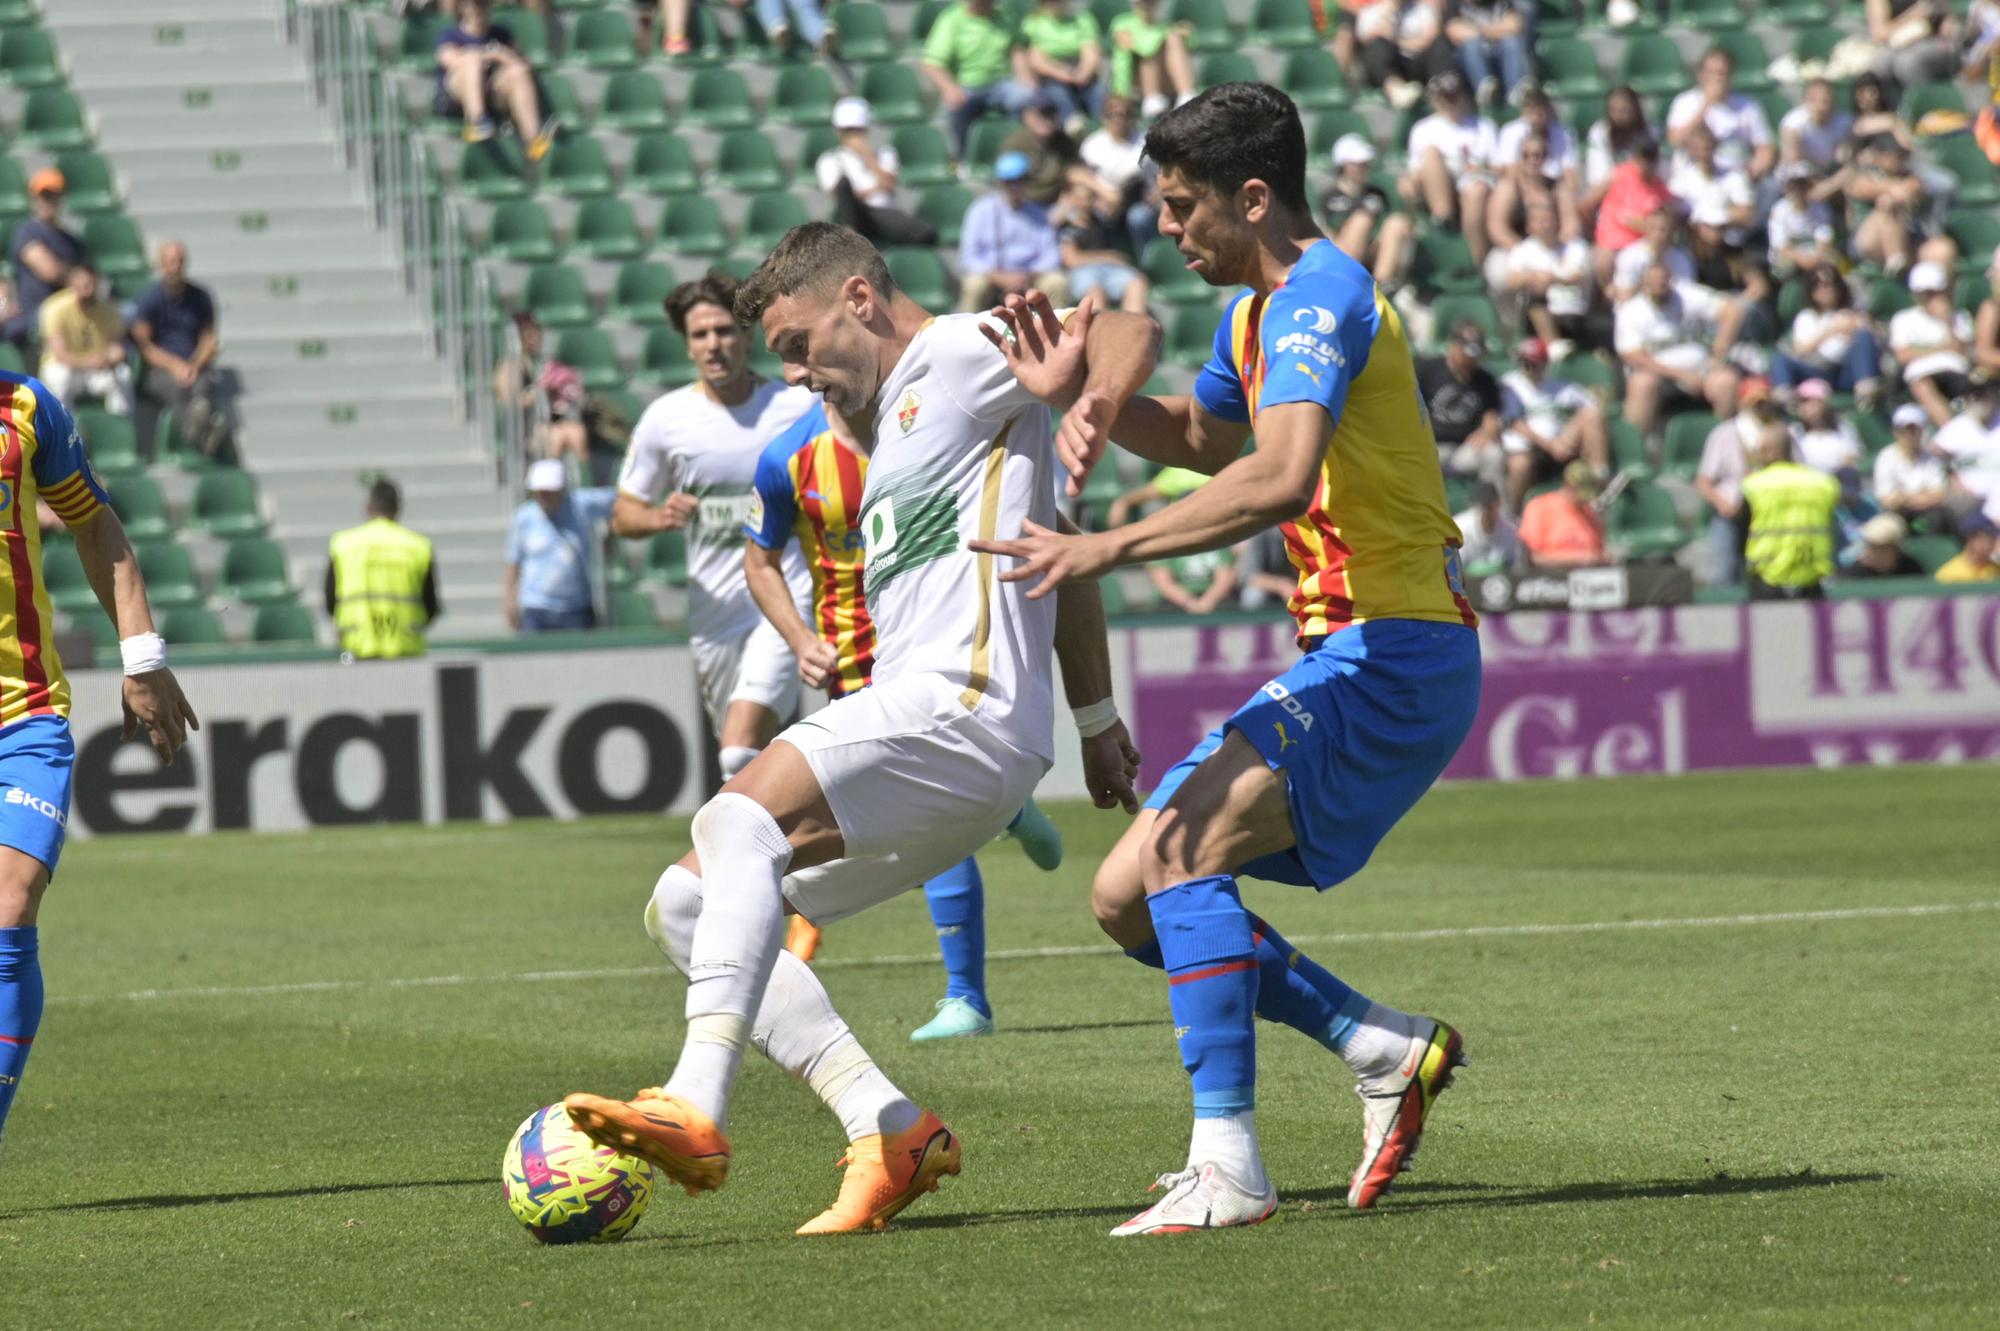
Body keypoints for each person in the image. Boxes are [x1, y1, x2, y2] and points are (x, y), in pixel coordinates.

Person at [963, 82, 1481, 1235]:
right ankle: (1376, 1043)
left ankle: (1229, 1166)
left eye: (1183, 204)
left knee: (1183, 850)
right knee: (1121, 896)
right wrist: (1078, 396)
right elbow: (1206, 441)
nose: (1167, 226)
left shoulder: (1320, 295)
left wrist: (1105, 540)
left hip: (1392, 647)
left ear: (1252, 197)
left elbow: (1282, 473)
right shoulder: (1252, 316)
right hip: (1360, 648)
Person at [561, 221, 1148, 1235]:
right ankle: (889, 1127)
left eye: (797, 344)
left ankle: (694, 1100)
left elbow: (1126, 327)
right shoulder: (885, 433)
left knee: (731, 820)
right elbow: (1048, 557)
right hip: (956, 730)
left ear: (861, 302)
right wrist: (1096, 719)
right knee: (685, 906)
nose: (791, 372)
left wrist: (1089, 400)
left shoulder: (959, 355)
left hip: (958, 703)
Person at [740, 392, 1068, 1037]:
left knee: (924, 817)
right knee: (901, 815)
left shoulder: (931, 429)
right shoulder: (788, 458)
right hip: (852, 665)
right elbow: (760, 561)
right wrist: (800, 639)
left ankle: (966, 999)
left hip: (934, 651)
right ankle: (1010, 811)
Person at [0, 366, 198, 1163]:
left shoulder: (26, 406)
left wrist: (141, 655)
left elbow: (95, 526)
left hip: (24, 716)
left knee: (10, 908)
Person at [611, 274, 817, 780]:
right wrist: (659, 517)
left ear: (747, 335)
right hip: (714, 614)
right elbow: (623, 514)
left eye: (725, 330)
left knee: (736, 748)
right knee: (755, 755)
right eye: (700, 335)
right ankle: (790, 848)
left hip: (787, 595)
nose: (714, 345)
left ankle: (740, 850)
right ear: (686, 346)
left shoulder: (797, 406)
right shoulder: (666, 418)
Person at [1613, 261, 1743, 435]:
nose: (1659, 285)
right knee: (1642, 383)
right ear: (1643, 283)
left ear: (1670, 280)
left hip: (1702, 370)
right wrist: (1681, 375)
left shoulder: (1686, 295)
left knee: (1726, 381)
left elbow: (1732, 310)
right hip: (1659, 375)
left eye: (1663, 280)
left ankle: (1724, 443)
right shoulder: (1631, 311)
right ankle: (1637, 451)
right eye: (1653, 281)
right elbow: (1633, 356)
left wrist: (1719, 354)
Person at [130, 241, 229, 461]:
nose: (175, 267)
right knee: (178, 390)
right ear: (161, 265)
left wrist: (194, 365)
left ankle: (197, 429)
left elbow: (208, 337)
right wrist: (175, 366)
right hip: (160, 368)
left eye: (179, 262)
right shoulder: (150, 299)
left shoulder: (201, 297)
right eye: (170, 262)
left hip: (194, 365)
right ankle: (200, 434)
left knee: (202, 386)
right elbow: (145, 345)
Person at [325, 479, 440, 659]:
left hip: (355, 649)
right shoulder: (419, 546)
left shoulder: (342, 545)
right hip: (406, 650)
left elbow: (330, 601)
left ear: (368, 507)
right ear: (398, 510)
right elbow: (431, 605)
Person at [433, 0, 557, 159]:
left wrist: (504, 55)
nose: (480, 10)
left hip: (493, 95)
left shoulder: (501, 35)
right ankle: (476, 121)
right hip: (457, 97)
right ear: (463, 7)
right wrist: (488, 54)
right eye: (475, 5)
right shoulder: (451, 35)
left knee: (517, 72)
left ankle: (533, 139)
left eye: (484, 4)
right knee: (472, 59)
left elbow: (524, 65)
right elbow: (449, 59)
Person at [505, 458, 616, 633]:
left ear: (561, 489)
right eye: (540, 491)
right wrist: (510, 601)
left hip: (575, 609)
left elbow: (618, 501)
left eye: (549, 491)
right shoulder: (524, 517)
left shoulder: (581, 505)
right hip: (535, 609)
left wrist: (611, 533)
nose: (544, 496)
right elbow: (514, 562)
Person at [1401, 70, 1499, 264]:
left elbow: (1499, 168)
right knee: (1431, 154)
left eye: (1455, 95)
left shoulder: (1483, 126)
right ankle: (1443, 218)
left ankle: (1478, 261)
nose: (1451, 101)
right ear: (1436, 99)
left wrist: (1478, 170)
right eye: (1446, 96)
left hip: (1476, 181)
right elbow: (1415, 172)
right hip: (1438, 182)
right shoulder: (1423, 128)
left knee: (1475, 190)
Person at [1499, 337, 1606, 508]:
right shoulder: (1510, 385)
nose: (1528, 368)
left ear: (1545, 364)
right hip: (1528, 448)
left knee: (1592, 416)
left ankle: (1599, 481)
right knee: (1520, 465)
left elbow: (1594, 405)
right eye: (1524, 363)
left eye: (1533, 364)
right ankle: (1513, 512)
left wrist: (1566, 438)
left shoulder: (1559, 386)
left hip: (1561, 445)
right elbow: (1514, 423)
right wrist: (1550, 446)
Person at [1695, 378, 1783, 586]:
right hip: (1733, 511)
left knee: (1770, 577)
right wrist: (1722, 504)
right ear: (1743, 402)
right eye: (1755, 402)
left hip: (1770, 512)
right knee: (1722, 575)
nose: (1760, 407)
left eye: (1764, 401)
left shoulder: (1781, 432)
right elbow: (1703, 481)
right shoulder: (1725, 433)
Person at [957, 152, 1070, 312]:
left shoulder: (1039, 214)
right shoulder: (980, 210)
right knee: (974, 285)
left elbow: (1051, 256)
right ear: (1000, 183)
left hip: (1030, 277)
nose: (1015, 187)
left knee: (1057, 282)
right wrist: (997, 276)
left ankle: (1056, 332)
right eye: (1009, 182)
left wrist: (1029, 275)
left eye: (1021, 180)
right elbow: (969, 257)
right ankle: (965, 334)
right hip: (991, 277)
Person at [817, 97, 937, 247]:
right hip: (853, 215)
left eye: (858, 130)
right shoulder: (830, 159)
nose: (854, 136)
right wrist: (875, 188)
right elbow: (840, 195)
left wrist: (866, 155)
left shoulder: (885, 154)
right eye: (849, 131)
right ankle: (850, 238)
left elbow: (889, 184)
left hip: (882, 214)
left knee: (925, 232)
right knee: (845, 186)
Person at [1740, 423, 1841, 599]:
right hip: (1812, 579)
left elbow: (1742, 531)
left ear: (1771, 451)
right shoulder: (1823, 483)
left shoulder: (1754, 485)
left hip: (1767, 581)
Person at [922, 0, 1032, 161]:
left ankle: (1025, 154)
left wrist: (1025, 76)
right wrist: (950, 88)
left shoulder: (1005, 17)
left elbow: (1017, 49)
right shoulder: (951, 20)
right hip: (967, 86)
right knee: (955, 107)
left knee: (1030, 98)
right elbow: (932, 64)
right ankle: (962, 158)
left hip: (1001, 84)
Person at [1665, 47, 1776, 185]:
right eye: (1711, 72)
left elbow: (1764, 147)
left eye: (1722, 73)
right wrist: (1706, 105)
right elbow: (1675, 140)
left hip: (1737, 176)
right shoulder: (1685, 102)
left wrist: (1754, 170)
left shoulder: (1748, 105)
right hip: (1696, 175)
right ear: (1701, 74)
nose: (1717, 78)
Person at [37, 263, 134, 418]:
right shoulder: (55, 308)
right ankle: (63, 429)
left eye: (92, 285)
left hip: (98, 369)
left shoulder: (109, 310)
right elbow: (60, 354)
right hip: (67, 367)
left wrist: (112, 357)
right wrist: (88, 361)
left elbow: (118, 347)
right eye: (84, 286)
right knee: (59, 376)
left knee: (123, 375)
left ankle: (119, 428)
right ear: (72, 286)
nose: (88, 291)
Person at [495, 311, 589, 468]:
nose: (534, 339)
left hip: (546, 421)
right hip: (523, 428)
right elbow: (508, 403)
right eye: (528, 335)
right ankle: (550, 489)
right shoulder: (510, 367)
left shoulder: (541, 363)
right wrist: (536, 394)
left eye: (536, 334)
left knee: (577, 432)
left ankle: (582, 489)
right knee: (555, 437)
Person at [1774, 266, 1883, 401]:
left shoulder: (1852, 313)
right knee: (1781, 360)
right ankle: (1786, 398)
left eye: (1829, 284)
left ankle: (1867, 389)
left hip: (1846, 370)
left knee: (1864, 336)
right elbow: (1800, 350)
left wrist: (1861, 324)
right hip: (1817, 371)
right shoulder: (1806, 317)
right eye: (1817, 285)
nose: (1824, 289)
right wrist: (1831, 330)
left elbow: (1879, 336)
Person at [3, 169, 83, 353]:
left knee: (125, 315)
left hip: (74, 305)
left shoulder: (71, 240)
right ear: (35, 198)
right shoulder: (27, 232)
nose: (49, 201)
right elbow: (49, 272)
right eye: (45, 195)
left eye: (54, 196)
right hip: (39, 308)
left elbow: (87, 276)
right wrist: (72, 274)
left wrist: (70, 274)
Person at [1418, 321, 1504, 486]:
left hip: (1465, 448)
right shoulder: (1427, 370)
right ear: (1453, 346)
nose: (1472, 359)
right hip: (1432, 446)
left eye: (1476, 355)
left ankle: (1493, 509)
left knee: (1494, 454)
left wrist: (1488, 428)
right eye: (1468, 353)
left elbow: (1491, 412)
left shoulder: (1484, 379)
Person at [1321, 135, 1412, 289]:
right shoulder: (1329, 197)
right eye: (1358, 164)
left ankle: (1383, 283)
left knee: (1397, 222)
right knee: (1362, 221)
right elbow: (1327, 232)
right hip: (1342, 252)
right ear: (1344, 165)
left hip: (1373, 249)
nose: (1364, 167)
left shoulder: (1377, 194)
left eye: (1365, 163)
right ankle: (1349, 279)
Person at [1890, 261, 1975, 426]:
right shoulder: (1903, 319)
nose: (1930, 298)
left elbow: (1963, 351)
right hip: (1922, 373)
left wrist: (1947, 322)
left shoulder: (1959, 317)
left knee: (1978, 389)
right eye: (1924, 293)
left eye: (1934, 292)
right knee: (1922, 387)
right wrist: (1942, 348)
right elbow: (1903, 354)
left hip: (1956, 371)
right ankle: (1951, 432)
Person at [1502, 197, 1594, 346]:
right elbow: (1512, 279)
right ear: (1529, 227)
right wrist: (1533, 277)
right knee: (1536, 300)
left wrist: (1552, 279)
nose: (1544, 226)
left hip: (1572, 312)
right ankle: (1554, 349)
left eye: (1547, 220)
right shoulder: (1523, 250)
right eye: (1537, 221)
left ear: (1557, 222)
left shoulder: (1576, 247)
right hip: (1539, 314)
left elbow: (1576, 276)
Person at [1053, 179, 1149, 314]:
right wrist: (1108, 257)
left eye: (1089, 198)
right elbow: (1072, 260)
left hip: (1109, 271)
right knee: (1095, 294)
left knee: (1137, 283)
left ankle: (1132, 329)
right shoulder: (1065, 225)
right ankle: (1099, 334)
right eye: (1079, 198)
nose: (1084, 203)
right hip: (1081, 273)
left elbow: (1116, 203)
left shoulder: (1100, 219)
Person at [1017, 0, 1104, 125]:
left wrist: (1084, 72)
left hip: (1081, 71)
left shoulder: (1083, 20)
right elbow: (1035, 58)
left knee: (1098, 93)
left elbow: (1091, 51)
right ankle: (1072, 126)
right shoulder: (1033, 24)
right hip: (1051, 75)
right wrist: (1061, 74)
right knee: (1059, 94)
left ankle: (1103, 127)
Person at [1106, 0, 1195, 118]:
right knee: (1152, 48)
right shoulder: (1122, 24)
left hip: (1166, 81)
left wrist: (1187, 35)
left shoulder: (1166, 25)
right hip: (1136, 85)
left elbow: (1190, 46)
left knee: (1174, 38)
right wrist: (1121, 94)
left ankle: (1186, 94)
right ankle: (1152, 97)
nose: (1148, 4)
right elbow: (1122, 61)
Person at [1517, 459, 1607, 569]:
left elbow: (1598, 551)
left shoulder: (1588, 511)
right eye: (1580, 494)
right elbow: (1534, 557)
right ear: (1568, 486)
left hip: (1589, 578)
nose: (1584, 500)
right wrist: (1580, 560)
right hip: (1548, 579)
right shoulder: (1539, 507)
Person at [1444, 0, 1531, 107]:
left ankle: (1516, 92)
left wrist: (1478, 30)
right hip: (1470, 59)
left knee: (1512, 42)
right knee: (1472, 45)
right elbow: (1455, 31)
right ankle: (1485, 89)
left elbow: (1514, 26)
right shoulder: (1456, 3)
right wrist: (1497, 30)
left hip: (1499, 53)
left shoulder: (1502, 2)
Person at [1873, 402, 1950, 520]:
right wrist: (1923, 495)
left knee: (1939, 517)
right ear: (1896, 432)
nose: (1909, 435)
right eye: (1904, 430)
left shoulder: (1931, 459)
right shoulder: (1886, 457)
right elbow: (1887, 499)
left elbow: (1939, 495)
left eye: (1914, 430)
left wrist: (1906, 497)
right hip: (1898, 513)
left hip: (1928, 511)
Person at [1766, 166, 1838, 283]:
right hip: (1789, 257)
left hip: (1815, 254)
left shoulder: (1821, 208)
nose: (1798, 191)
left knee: (1835, 265)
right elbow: (1782, 246)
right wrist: (1803, 260)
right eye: (1793, 187)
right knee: (1788, 268)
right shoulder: (1779, 210)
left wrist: (1816, 258)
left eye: (1802, 186)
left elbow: (1825, 239)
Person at [1779, 78, 1853, 172]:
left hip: (1833, 173)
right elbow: (1791, 161)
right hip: (1799, 176)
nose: (1820, 107)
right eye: (1813, 100)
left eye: (1825, 101)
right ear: (1805, 100)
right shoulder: (1793, 122)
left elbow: (1848, 155)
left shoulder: (1845, 121)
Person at [1792, 380, 1862, 478]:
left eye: (1809, 401)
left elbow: (1850, 460)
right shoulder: (1794, 432)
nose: (1804, 407)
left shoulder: (1843, 429)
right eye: (1801, 402)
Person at [1453, 477, 1521, 571]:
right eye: (1482, 506)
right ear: (1472, 507)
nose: (1486, 512)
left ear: (1498, 504)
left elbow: (1515, 568)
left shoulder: (1510, 530)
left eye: (1489, 506)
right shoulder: (1459, 529)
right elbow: (1454, 571)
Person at [1843, 511, 1925, 578]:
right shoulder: (1857, 573)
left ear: (1894, 548)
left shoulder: (1912, 570)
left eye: (1879, 547)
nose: (1870, 552)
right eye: (1870, 545)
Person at [1934, 513, 2000, 581]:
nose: (1992, 543)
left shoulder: (1996, 569)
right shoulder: (1950, 575)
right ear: (1971, 540)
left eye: (1993, 538)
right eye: (1988, 538)